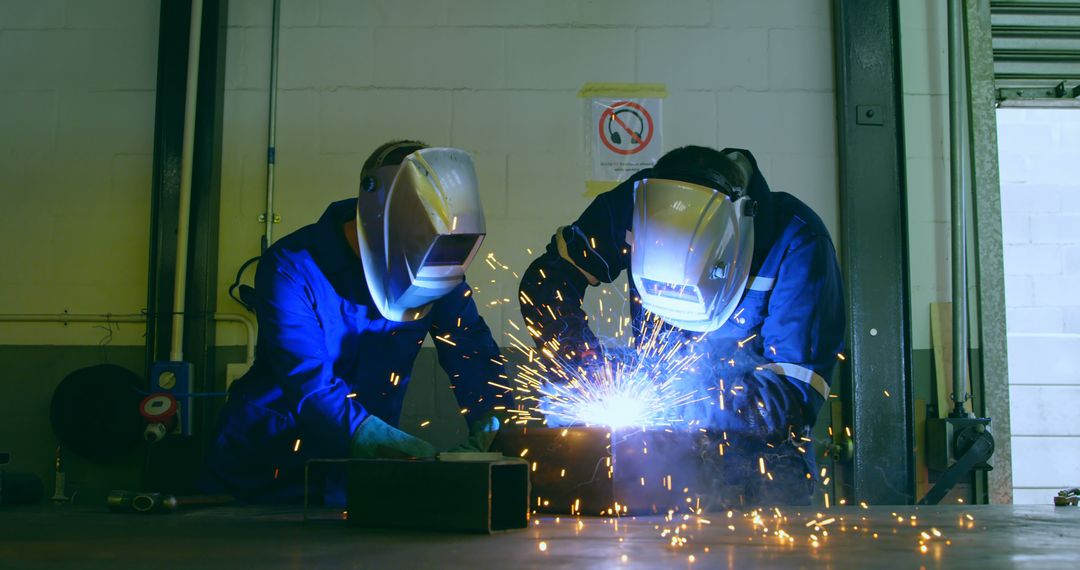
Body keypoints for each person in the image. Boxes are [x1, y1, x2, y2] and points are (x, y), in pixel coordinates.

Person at [518, 146, 845, 505]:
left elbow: (789, 403)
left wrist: (673, 400)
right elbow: (548, 283)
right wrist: (582, 360)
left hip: (762, 470)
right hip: (657, 463)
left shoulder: (797, 240)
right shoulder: (634, 205)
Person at [203, 141, 508, 503]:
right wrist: (369, 436)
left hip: (362, 476)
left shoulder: (435, 267)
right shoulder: (292, 267)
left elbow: (470, 350)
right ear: (383, 213)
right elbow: (308, 381)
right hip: (266, 469)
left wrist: (491, 417)